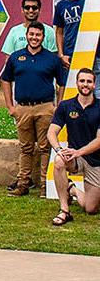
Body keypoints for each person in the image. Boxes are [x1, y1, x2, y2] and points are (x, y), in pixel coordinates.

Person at [0, 22, 62, 196]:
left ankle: (45, 186)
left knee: (44, 147)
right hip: (23, 108)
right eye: (32, 34)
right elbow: (5, 80)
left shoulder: (51, 58)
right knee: (25, 148)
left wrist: (58, 105)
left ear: (43, 37)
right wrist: (11, 106)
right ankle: (23, 184)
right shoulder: (16, 57)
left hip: (45, 107)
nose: (34, 38)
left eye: (38, 35)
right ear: (26, 35)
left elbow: (61, 83)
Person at [47, 68, 100, 224]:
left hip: (95, 161)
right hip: (74, 158)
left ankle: (72, 189)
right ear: (77, 83)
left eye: (89, 81)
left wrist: (79, 152)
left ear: (94, 84)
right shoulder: (66, 106)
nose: (85, 84)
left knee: (91, 208)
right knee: (58, 161)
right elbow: (51, 132)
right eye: (82, 81)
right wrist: (59, 150)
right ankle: (64, 211)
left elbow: (99, 140)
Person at [54, 0, 86, 91]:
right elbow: (59, 31)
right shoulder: (61, 6)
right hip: (70, 54)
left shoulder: (91, 0)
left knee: (96, 89)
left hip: (94, 52)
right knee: (71, 89)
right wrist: (61, 54)